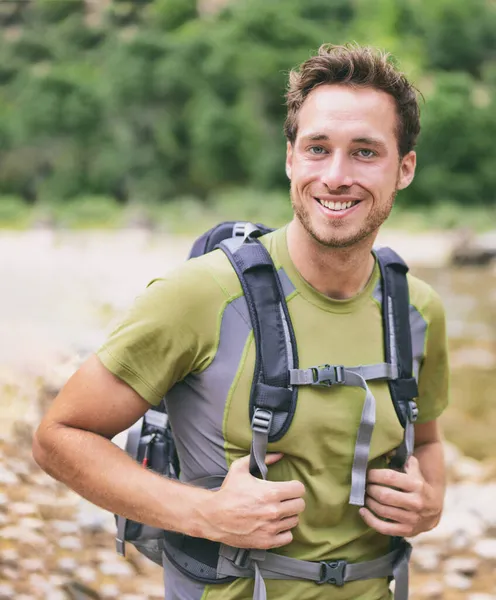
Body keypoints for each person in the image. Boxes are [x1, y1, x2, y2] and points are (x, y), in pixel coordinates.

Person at [33, 44, 449, 600]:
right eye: (317, 148)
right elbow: (59, 437)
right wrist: (204, 514)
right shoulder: (200, 293)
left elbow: (427, 442)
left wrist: (431, 500)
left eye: (365, 152)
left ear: (405, 168)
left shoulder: (416, 309)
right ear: (289, 159)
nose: (335, 175)